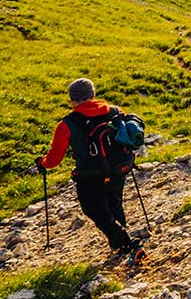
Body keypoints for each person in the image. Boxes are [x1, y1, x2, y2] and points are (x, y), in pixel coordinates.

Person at [36, 78, 144, 263]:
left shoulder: (67, 124)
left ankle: (129, 245)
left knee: (93, 209)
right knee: (114, 203)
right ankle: (118, 243)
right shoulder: (115, 111)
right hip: (119, 169)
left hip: (90, 175)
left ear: (72, 100)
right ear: (93, 94)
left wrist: (42, 163)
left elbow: (54, 159)